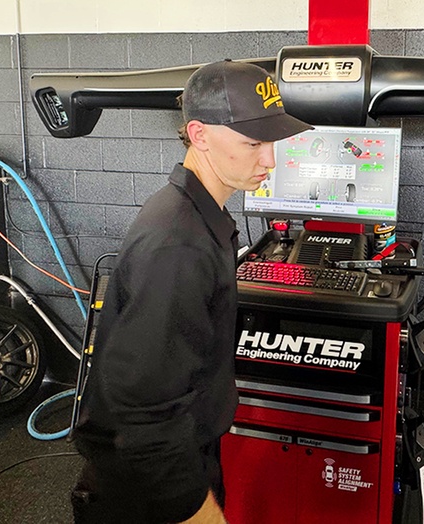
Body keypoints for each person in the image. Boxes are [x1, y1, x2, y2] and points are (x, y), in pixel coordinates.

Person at [70, 60, 311, 523]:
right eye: (253, 143)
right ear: (199, 135)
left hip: (182, 455)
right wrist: (202, 515)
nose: (270, 160)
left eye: (272, 142)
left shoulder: (199, 215)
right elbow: (145, 415)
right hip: (148, 487)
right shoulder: (178, 244)